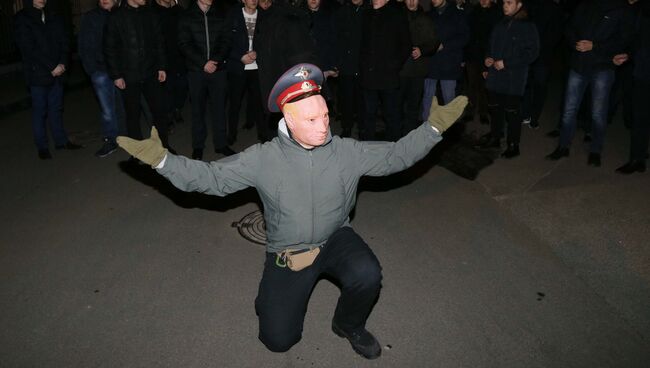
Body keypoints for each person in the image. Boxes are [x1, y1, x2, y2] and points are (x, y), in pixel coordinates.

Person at [115, 63, 468, 359]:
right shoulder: (264, 158)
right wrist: (162, 160)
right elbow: (211, 179)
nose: (324, 125)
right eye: (312, 119)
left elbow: (395, 156)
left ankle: (348, 324)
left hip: (336, 237)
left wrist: (433, 128)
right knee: (278, 341)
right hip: (290, 252)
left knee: (368, 272)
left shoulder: (347, 151)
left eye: (326, 115)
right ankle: (271, 297)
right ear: (289, 120)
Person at [545, 0, 627, 167]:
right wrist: (576, 43)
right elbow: (569, 28)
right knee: (569, 110)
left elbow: (622, 41)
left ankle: (595, 150)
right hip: (578, 65)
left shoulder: (619, 9)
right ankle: (563, 146)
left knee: (598, 113)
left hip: (602, 68)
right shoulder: (584, 6)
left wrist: (594, 46)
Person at [13, 0, 82, 159]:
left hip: (58, 71)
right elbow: (28, 48)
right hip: (38, 73)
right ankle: (42, 146)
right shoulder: (22, 18)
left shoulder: (53, 16)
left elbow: (65, 40)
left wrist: (63, 62)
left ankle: (61, 141)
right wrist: (51, 67)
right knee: (40, 111)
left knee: (56, 108)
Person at [104, 0, 174, 156]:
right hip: (129, 75)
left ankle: (164, 147)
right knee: (132, 115)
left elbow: (159, 42)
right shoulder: (116, 17)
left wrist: (162, 66)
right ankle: (138, 152)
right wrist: (116, 75)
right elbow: (110, 48)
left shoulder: (150, 14)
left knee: (159, 112)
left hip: (150, 73)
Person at [480, 0, 539, 158]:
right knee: (495, 108)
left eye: (509, 2)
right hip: (496, 76)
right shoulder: (501, 23)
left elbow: (532, 52)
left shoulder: (527, 26)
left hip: (514, 78)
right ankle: (496, 136)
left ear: (519, 5)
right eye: (504, 2)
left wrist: (507, 63)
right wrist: (488, 59)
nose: (505, 5)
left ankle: (514, 144)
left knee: (512, 112)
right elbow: (490, 45)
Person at [178, 0, 235, 160]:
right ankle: (198, 146)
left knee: (219, 108)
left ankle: (221, 144)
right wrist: (203, 63)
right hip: (196, 71)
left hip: (218, 69)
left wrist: (215, 60)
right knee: (197, 110)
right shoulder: (187, 16)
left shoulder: (221, 13)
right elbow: (184, 43)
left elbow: (226, 40)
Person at [359, 0, 411, 141]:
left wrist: (394, 65)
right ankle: (367, 148)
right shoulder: (366, 14)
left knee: (391, 115)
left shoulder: (396, 15)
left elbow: (406, 44)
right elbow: (361, 42)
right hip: (368, 76)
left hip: (388, 76)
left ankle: (393, 148)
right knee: (368, 114)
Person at [79, 0, 121, 158]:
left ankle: (124, 137)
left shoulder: (121, 14)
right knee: (107, 109)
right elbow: (83, 44)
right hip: (101, 71)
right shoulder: (91, 18)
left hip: (121, 70)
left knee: (123, 106)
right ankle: (111, 140)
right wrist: (92, 70)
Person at [614, 0, 650, 174]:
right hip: (643, 71)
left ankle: (639, 157)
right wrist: (628, 55)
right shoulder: (641, 10)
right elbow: (639, 38)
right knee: (640, 117)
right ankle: (638, 158)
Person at [226, 0, 266, 143]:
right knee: (235, 104)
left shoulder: (263, 16)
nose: (253, 0)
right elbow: (226, 41)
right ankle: (231, 136)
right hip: (238, 67)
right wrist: (240, 56)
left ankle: (263, 136)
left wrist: (258, 52)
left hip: (257, 68)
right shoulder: (233, 16)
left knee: (259, 103)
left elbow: (268, 41)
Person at [421, 0, 469, 117]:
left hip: (449, 62)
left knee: (449, 97)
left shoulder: (458, 15)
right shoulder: (428, 15)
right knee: (428, 97)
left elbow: (464, 37)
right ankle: (426, 129)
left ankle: (450, 130)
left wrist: (445, 45)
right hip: (431, 62)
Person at [399, 0, 439, 135]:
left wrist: (422, 50)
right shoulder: (398, 17)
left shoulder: (426, 19)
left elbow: (433, 42)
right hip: (400, 70)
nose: (411, 2)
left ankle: (409, 135)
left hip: (418, 71)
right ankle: (397, 135)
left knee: (413, 105)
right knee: (397, 105)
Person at [152, 0, 189, 129]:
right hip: (163, 58)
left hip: (180, 56)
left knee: (182, 86)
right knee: (166, 88)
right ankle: (168, 114)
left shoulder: (179, 11)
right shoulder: (153, 11)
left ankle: (177, 108)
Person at [333, 0, 365, 138]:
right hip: (346, 65)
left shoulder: (369, 12)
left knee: (363, 100)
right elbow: (336, 38)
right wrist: (338, 62)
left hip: (364, 66)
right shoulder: (342, 12)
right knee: (346, 100)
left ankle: (363, 128)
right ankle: (347, 127)